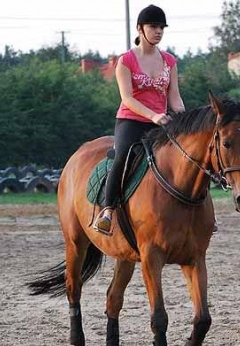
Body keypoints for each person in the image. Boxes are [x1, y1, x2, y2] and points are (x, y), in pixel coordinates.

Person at [93, 4, 185, 235]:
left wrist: (185, 120)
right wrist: (153, 115)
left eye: (162, 27)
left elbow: (174, 97)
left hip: (162, 121)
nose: (158, 31)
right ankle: (107, 211)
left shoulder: (170, 61)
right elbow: (127, 98)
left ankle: (203, 214)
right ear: (139, 29)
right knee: (122, 156)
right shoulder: (125, 61)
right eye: (153, 26)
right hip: (132, 121)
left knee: (190, 155)